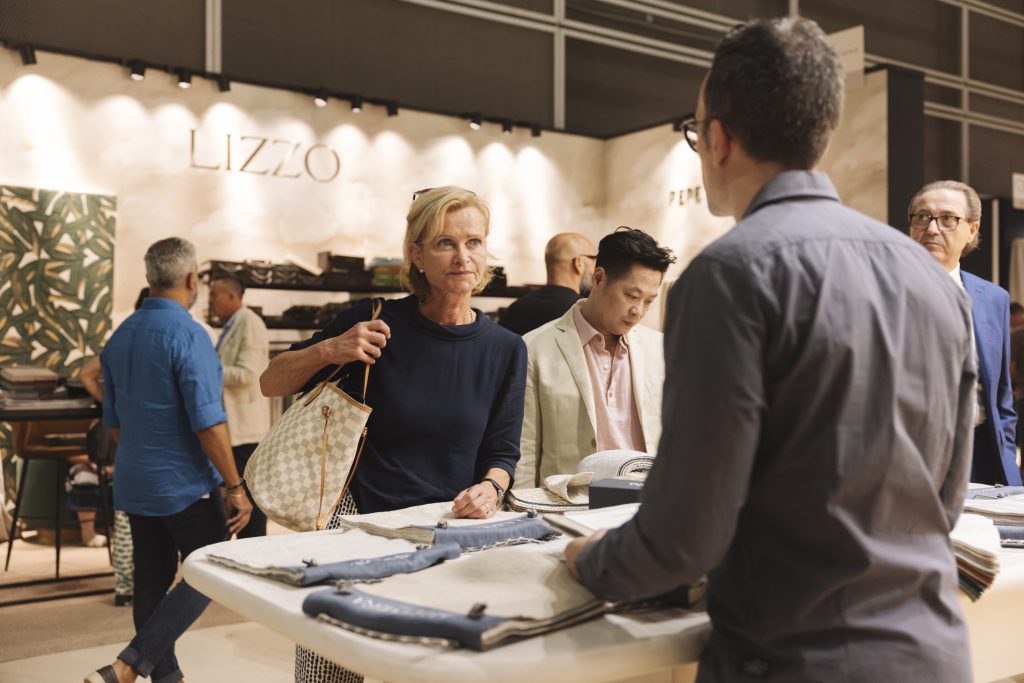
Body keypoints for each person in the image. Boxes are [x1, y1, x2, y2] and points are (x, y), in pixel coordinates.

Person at [566, 17, 974, 683]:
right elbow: (944, 502)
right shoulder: (933, 280)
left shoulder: (727, 276)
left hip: (794, 659)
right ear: (824, 134)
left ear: (719, 140)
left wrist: (589, 559)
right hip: (933, 655)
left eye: (696, 133)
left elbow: (684, 538)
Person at [260, 186, 526, 683]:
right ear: (417, 255)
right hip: (357, 524)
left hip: (448, 531)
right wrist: (331, 349)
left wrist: (492, 488)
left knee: (435, 670)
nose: (463, 257)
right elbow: (270, 382)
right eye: (445, 242)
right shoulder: (374, 320)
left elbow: (503, 449)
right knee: (328, 670)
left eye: (474, 242)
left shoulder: (505, 348)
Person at [86, 238, 251, 683]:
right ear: (192, 279)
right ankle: (127, 665)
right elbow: (208, 424)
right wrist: (235, 486)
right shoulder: (189, 335)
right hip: (186, 485)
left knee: (151, 581)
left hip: (136, 480)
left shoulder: (119, 338)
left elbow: (113, 422)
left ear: (150, 277)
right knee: (212, 567)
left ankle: (163, 677)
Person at [515, 227, 674, 488]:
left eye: (649, 301)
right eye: (631, 296)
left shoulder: (661, 348)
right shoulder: (535, 347)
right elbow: (525, 448)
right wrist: (522, 506)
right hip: (571, 501)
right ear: (599, 278)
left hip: (647, 500)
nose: (638, 310)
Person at [907, 180, 1021, 486]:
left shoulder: (994, 299)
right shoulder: (884, 289)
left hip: (979, 455)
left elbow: (1001, 396)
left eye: (947, 218)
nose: (932, 228)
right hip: (908, 454)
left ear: (972, 229)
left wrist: (1006, 455)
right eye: (922, 217)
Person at [208, 275, 271, 537]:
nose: (211, 301)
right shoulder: (231, 325)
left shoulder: (250, 324)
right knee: (235, 498)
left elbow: (247, 374)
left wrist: (208, 369)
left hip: (246, 430)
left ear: (232, 297)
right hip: (233, 427)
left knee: (249, 499)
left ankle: (252, 551)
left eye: (214, 295)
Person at [499, 232, 596, 335]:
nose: (596, 267)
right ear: (578, 263)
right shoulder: (585, 313)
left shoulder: (514, 310)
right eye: (594, 259)